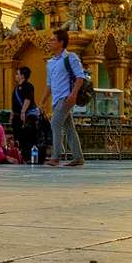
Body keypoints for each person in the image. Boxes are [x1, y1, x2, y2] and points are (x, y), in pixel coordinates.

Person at [44, 30, 87, 168]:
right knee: (69, 127)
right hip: (56, 100)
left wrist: (73, 94)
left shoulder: (70, 57)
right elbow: (49, 84)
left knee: (55, 124)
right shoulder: (50, 63)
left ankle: (56, 157)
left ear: (61, 42)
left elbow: (80, 77)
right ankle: (78, 157)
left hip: (66, 97)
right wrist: (42, 101)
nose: (49, 42)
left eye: (52, 40)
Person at [12, 65, 45, 164]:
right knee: (18, 137)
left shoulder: (28, 86)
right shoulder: (16, 88)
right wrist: (13, 114)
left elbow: (28, 99)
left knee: (28, 136)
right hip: (17, 116)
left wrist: (23, 111)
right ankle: (22, 156)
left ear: (22, 75)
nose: (16, 76)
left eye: (17, 74)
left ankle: (30, 157)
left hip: (28, 116)